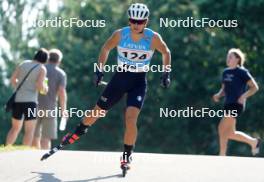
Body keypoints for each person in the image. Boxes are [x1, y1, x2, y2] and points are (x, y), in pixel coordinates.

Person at [58, 3, 171, 171]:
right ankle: (77, 132)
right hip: (119, 79)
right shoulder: (120, 34)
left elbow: (166, 52)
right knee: (97, 112)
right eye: (133, 20)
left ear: (146, 22)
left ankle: (126, 157)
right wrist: (99, 70)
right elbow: (106, 48)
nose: (136, 24)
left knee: (131, 119)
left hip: (138, 82)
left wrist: (166, 72)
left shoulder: (152, 37)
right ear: (129, 20)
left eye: (140, 21)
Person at [212, 48, 260, 156]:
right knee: (230, 133)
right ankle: (253, 142)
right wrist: (218, 95)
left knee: (221, 128)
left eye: (230, 57)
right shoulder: (225, 72)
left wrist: (244, 96)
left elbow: (254, 87)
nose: (228, 59)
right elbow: (224, 89)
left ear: (237, 59)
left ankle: (222, 155)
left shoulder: (242, 72)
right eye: (227, 56)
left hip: (236, 105)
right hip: (227, 104)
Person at [5, 48, 49, 146]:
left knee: (15, 128)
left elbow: (13, 80)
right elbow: (39, 86)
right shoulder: (42, 68)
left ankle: (7, 147)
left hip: (17, 100)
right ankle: (24, 151)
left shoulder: (23, 64)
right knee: (29, 130)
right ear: (45, 59)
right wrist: (45, 88)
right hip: (30, 101)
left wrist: (21, 86)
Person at [32, 49, 67, 149]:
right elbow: (62, 92)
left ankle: (33, 157)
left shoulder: (39, 69)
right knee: (46, 137)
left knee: (34, 135)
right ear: (59, 60)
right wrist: (63, 110)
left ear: (48, 58)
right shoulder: (61, 74)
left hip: (35, 106)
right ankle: (43, 160)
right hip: (50, 108)